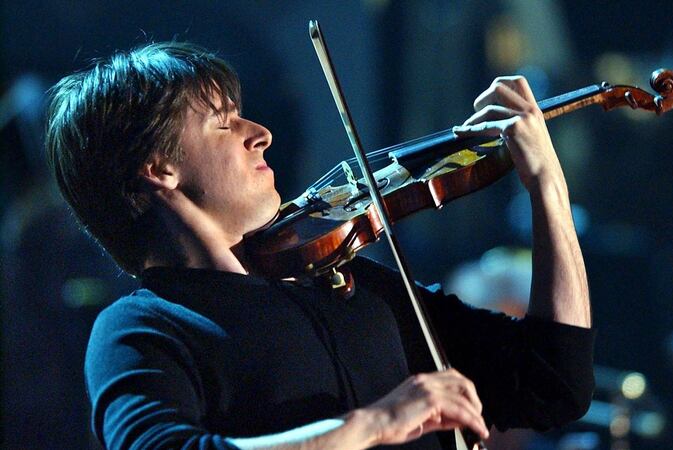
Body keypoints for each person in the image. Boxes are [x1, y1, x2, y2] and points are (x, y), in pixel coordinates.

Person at [45, 42, 593, 450]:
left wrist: (548, 186)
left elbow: (553, 382)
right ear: (158, 169)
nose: (259, 132)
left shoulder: (346, 284)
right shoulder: (142, 329)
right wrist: (372, 425)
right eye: (223, 123)